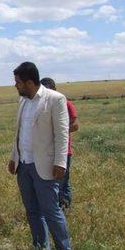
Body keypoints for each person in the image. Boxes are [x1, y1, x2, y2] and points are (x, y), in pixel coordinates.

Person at [7, 62, 73, 250]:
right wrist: (13, 157)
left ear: (29, 82)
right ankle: (41, 249)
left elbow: (62, 134)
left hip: (43, 165)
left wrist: (60, 162)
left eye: (18, 82)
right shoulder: (23, 102)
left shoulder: (55, 99)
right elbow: (19, 133)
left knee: (51, 210)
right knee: (32, 210)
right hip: (24, 164)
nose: (15, 85)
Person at [40, 78, 79, 209]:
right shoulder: (42, 106)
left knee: (62, 180)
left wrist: (58, 132)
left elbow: (75, 125)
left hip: (63, 150)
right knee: (51, 181)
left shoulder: (65, 104)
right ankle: (55, 206)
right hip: (47, 150)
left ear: (54, 89)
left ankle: (64, 207)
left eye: (48, 90)